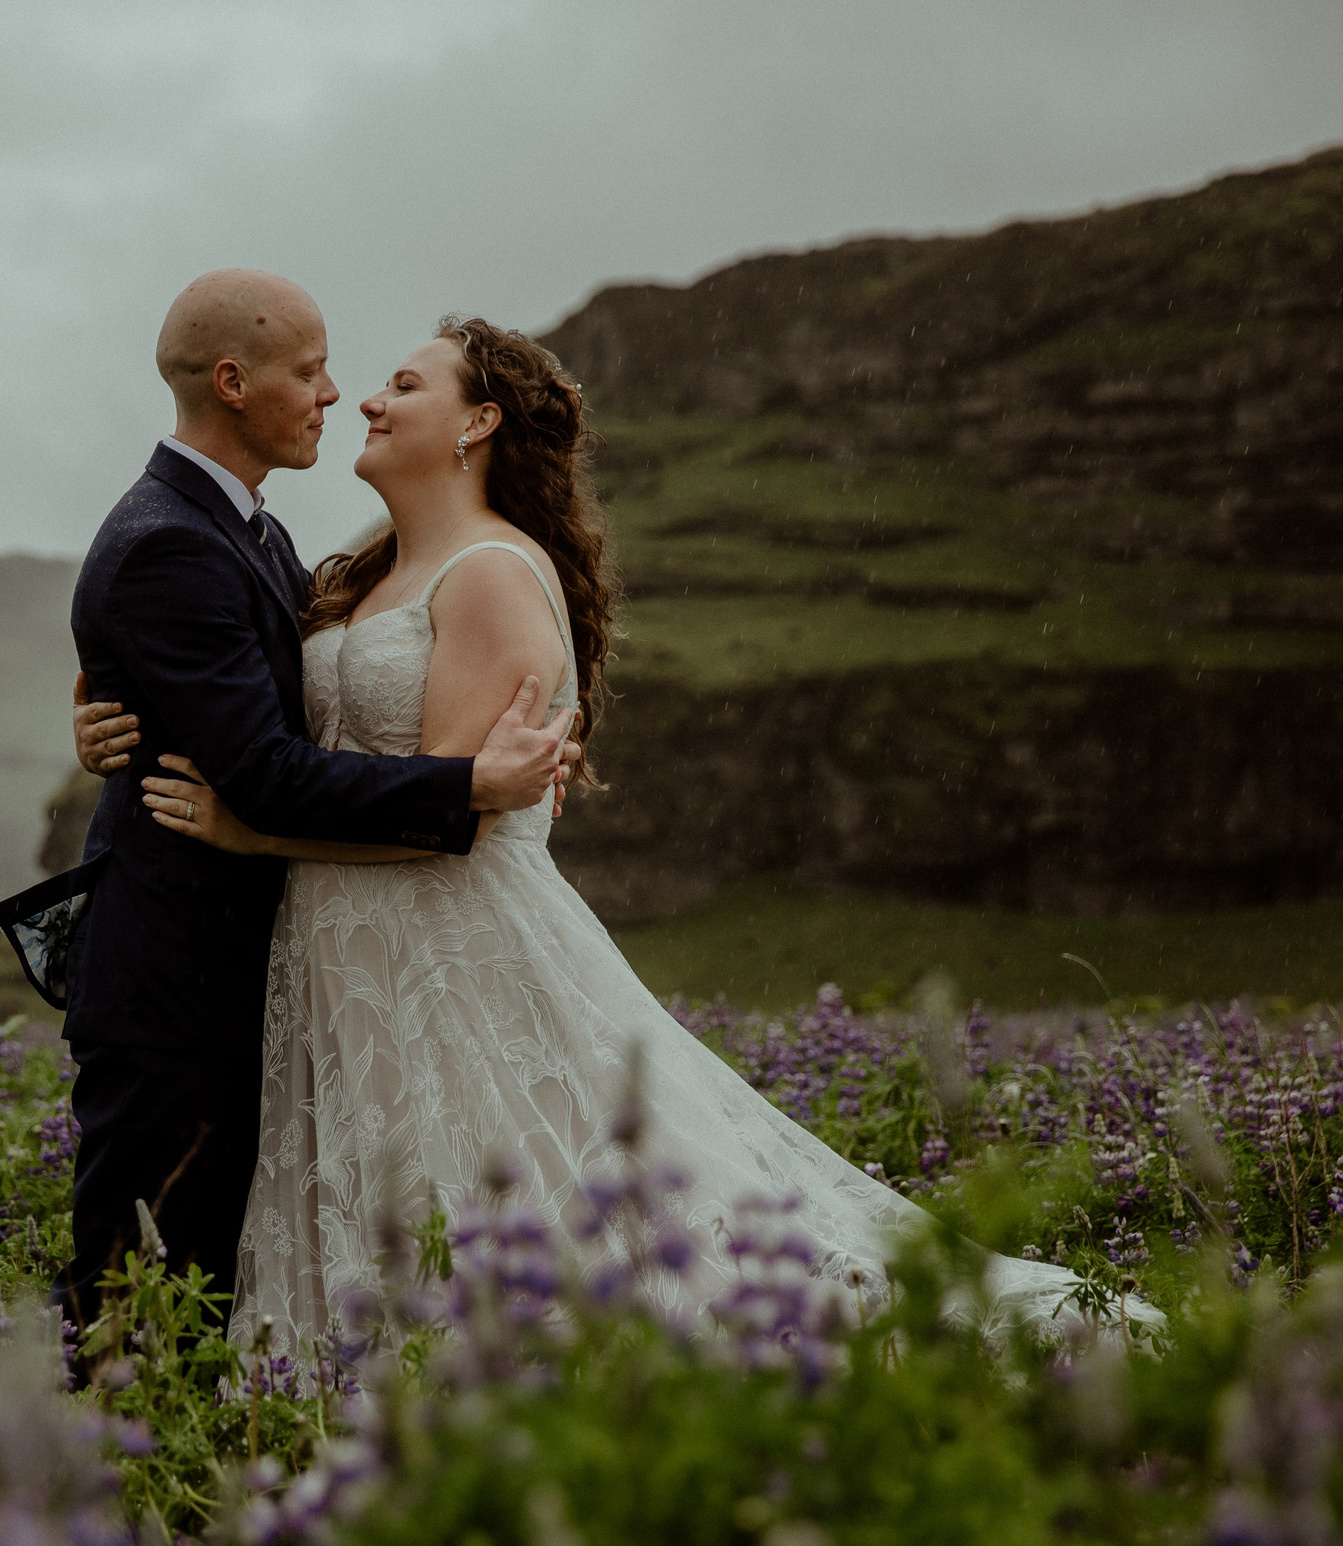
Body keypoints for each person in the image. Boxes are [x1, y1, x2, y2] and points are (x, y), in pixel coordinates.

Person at [118, 314, 1157, 1343]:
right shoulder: (357, 574)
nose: (368, 401)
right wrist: (115, 718)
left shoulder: (490, 571)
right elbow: (266, 717)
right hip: (345, 950)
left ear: (478, 423)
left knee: (516, 1210)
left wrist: (254, 835)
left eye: (404, 385)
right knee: (395, 1205)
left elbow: (445, 819)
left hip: (447, 946)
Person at [53, 271, 578, 1339]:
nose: (340, 395)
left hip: (304, 967)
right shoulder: (171, 538)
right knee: (136, 1299)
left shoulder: (251, 530)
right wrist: (467, 786)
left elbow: (246, 698)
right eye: (312, 371)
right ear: (234, 383)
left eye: (380, 380)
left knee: (220, 1282)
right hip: (178, 989)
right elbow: (266, 772)